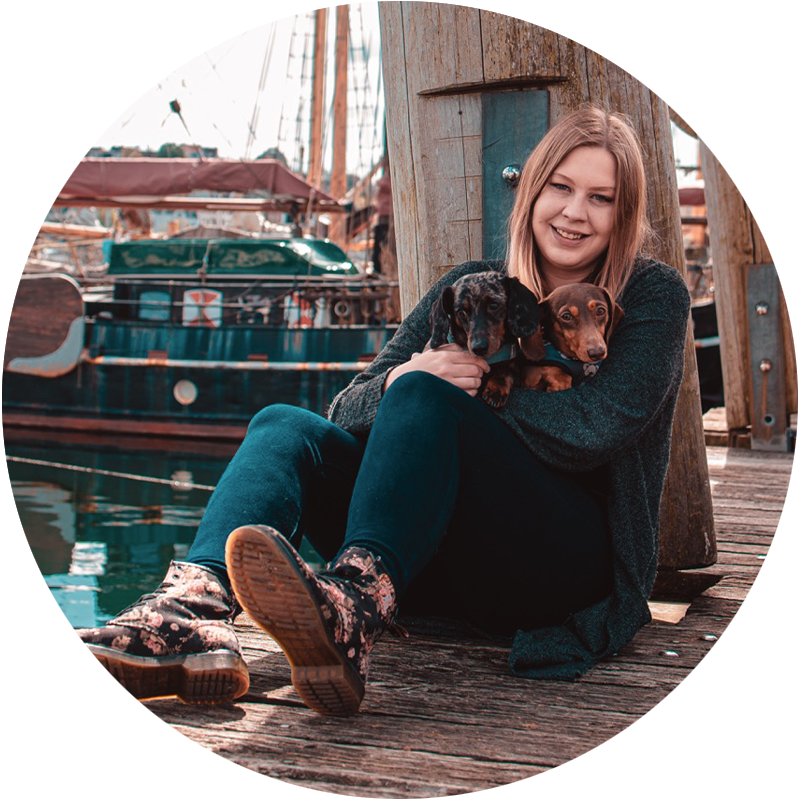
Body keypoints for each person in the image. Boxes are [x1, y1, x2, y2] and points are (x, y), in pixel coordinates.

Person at [24, 106, 690, 716]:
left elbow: (596, 429)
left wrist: (466, 392)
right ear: (533, 192)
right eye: (561, 187)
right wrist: (405, 373)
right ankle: (188, 616)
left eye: (601, 197)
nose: (575, 212)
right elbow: (345, 410)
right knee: (286, 425)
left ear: (623, 211)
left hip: (561, 574)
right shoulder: (470, 286)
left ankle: (352, 605)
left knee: (426, 395)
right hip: (438, 571)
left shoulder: (650, 295)